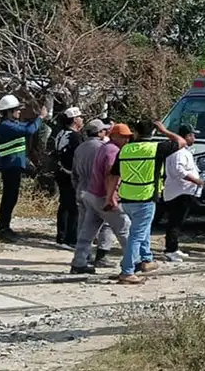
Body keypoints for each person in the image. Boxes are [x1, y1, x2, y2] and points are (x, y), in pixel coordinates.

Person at [107, 121, 184, 280]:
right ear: (154, 133)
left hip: (127, 197)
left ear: (135, 132)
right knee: (136, 235)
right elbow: (181, 142)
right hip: (145, 197)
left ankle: (146, 259)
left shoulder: (125, 150)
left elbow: (114, 174)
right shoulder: (156, 148)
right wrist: (164, 130)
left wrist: (110, 196)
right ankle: (127, 271)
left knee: (143, 229)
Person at [70, 123, 135, 280]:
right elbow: (110, 175)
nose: (127, 139)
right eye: (124, 136)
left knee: (88, 231)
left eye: (128, 136)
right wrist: (111, 197)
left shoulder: (102, 148)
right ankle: (133, 263)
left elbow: (75, 172)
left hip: (91, 194)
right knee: (125, 230)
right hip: (103, 196)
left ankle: (79, 263)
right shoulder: (113, 150)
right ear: (113, 135)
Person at [0, 94, 47, 241]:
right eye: (16, 110)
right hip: (10, 166)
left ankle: (6, 226)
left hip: (14, 166)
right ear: (9, 111)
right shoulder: (6, 126)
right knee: (9, 198)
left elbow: (28, 128)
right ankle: (4, 228)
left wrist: (37, 120)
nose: (19, 112)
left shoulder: (12, 124)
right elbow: (29, 131)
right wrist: (40, 118)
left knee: (12, 197)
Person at [70, 118, 116, 268]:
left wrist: (77, 187)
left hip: (82, 189)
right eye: (104, 130)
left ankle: (83, 256)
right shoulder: (104, 148)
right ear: (99, 132)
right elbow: (108, 172)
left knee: (84, 225)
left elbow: (74, 173)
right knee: (106, 224)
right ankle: (101, 256)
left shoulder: (80, 148)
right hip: (98, 190)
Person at [162, 125, 203, 262]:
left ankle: (174, 248)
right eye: (192, 135)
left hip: (182, 191)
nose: (194, 138)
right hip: (178, 192)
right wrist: (196, 180)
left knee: (178, 222)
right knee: (174, 222)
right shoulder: (178, 152)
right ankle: (170, 250)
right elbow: (179, 171)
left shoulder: (184, 151)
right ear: (185, 136)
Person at [51, 107, 85, 248]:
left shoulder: (60, 133)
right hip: (71, 174)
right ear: (75, 120)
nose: (82, 120)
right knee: (73, 207)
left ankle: (61, 235)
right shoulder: (75, 137)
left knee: (64, 204)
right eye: (80, 117)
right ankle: (71, 238)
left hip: (60, 172)